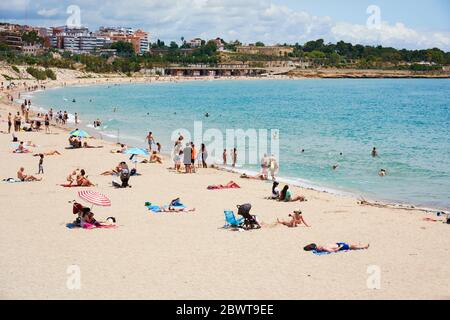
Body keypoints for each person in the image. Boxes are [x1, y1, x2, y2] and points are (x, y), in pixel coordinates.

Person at [303, 242, 369, 253]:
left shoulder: (318, 247)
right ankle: (364, 247)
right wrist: (340, 247)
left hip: (337, 244)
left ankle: (359, 245)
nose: (318, 246)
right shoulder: (324, 248)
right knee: (352, 247)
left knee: (351, 245)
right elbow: (334, 251)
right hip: (339, 246)